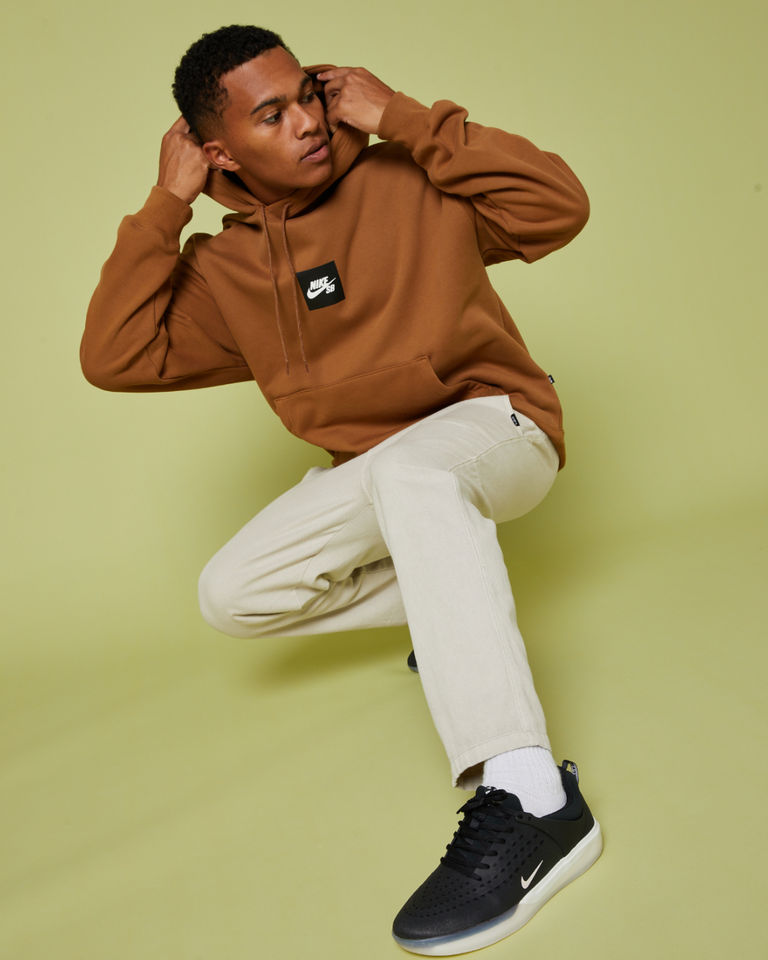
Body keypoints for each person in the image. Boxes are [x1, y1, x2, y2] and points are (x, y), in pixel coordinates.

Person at [81, 24, 601, 955]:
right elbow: (115, 355)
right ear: (216, 151)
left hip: (501, 427)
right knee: (232, 593)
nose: (308, 123)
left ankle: (532, 794)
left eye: (308, 96)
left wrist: (404, 116)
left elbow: (560, 205)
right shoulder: (228, 271)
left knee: (411, 469)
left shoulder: (413, 177)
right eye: (270, 115)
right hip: (391, 475)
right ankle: (457, 615)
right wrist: (166, 205)